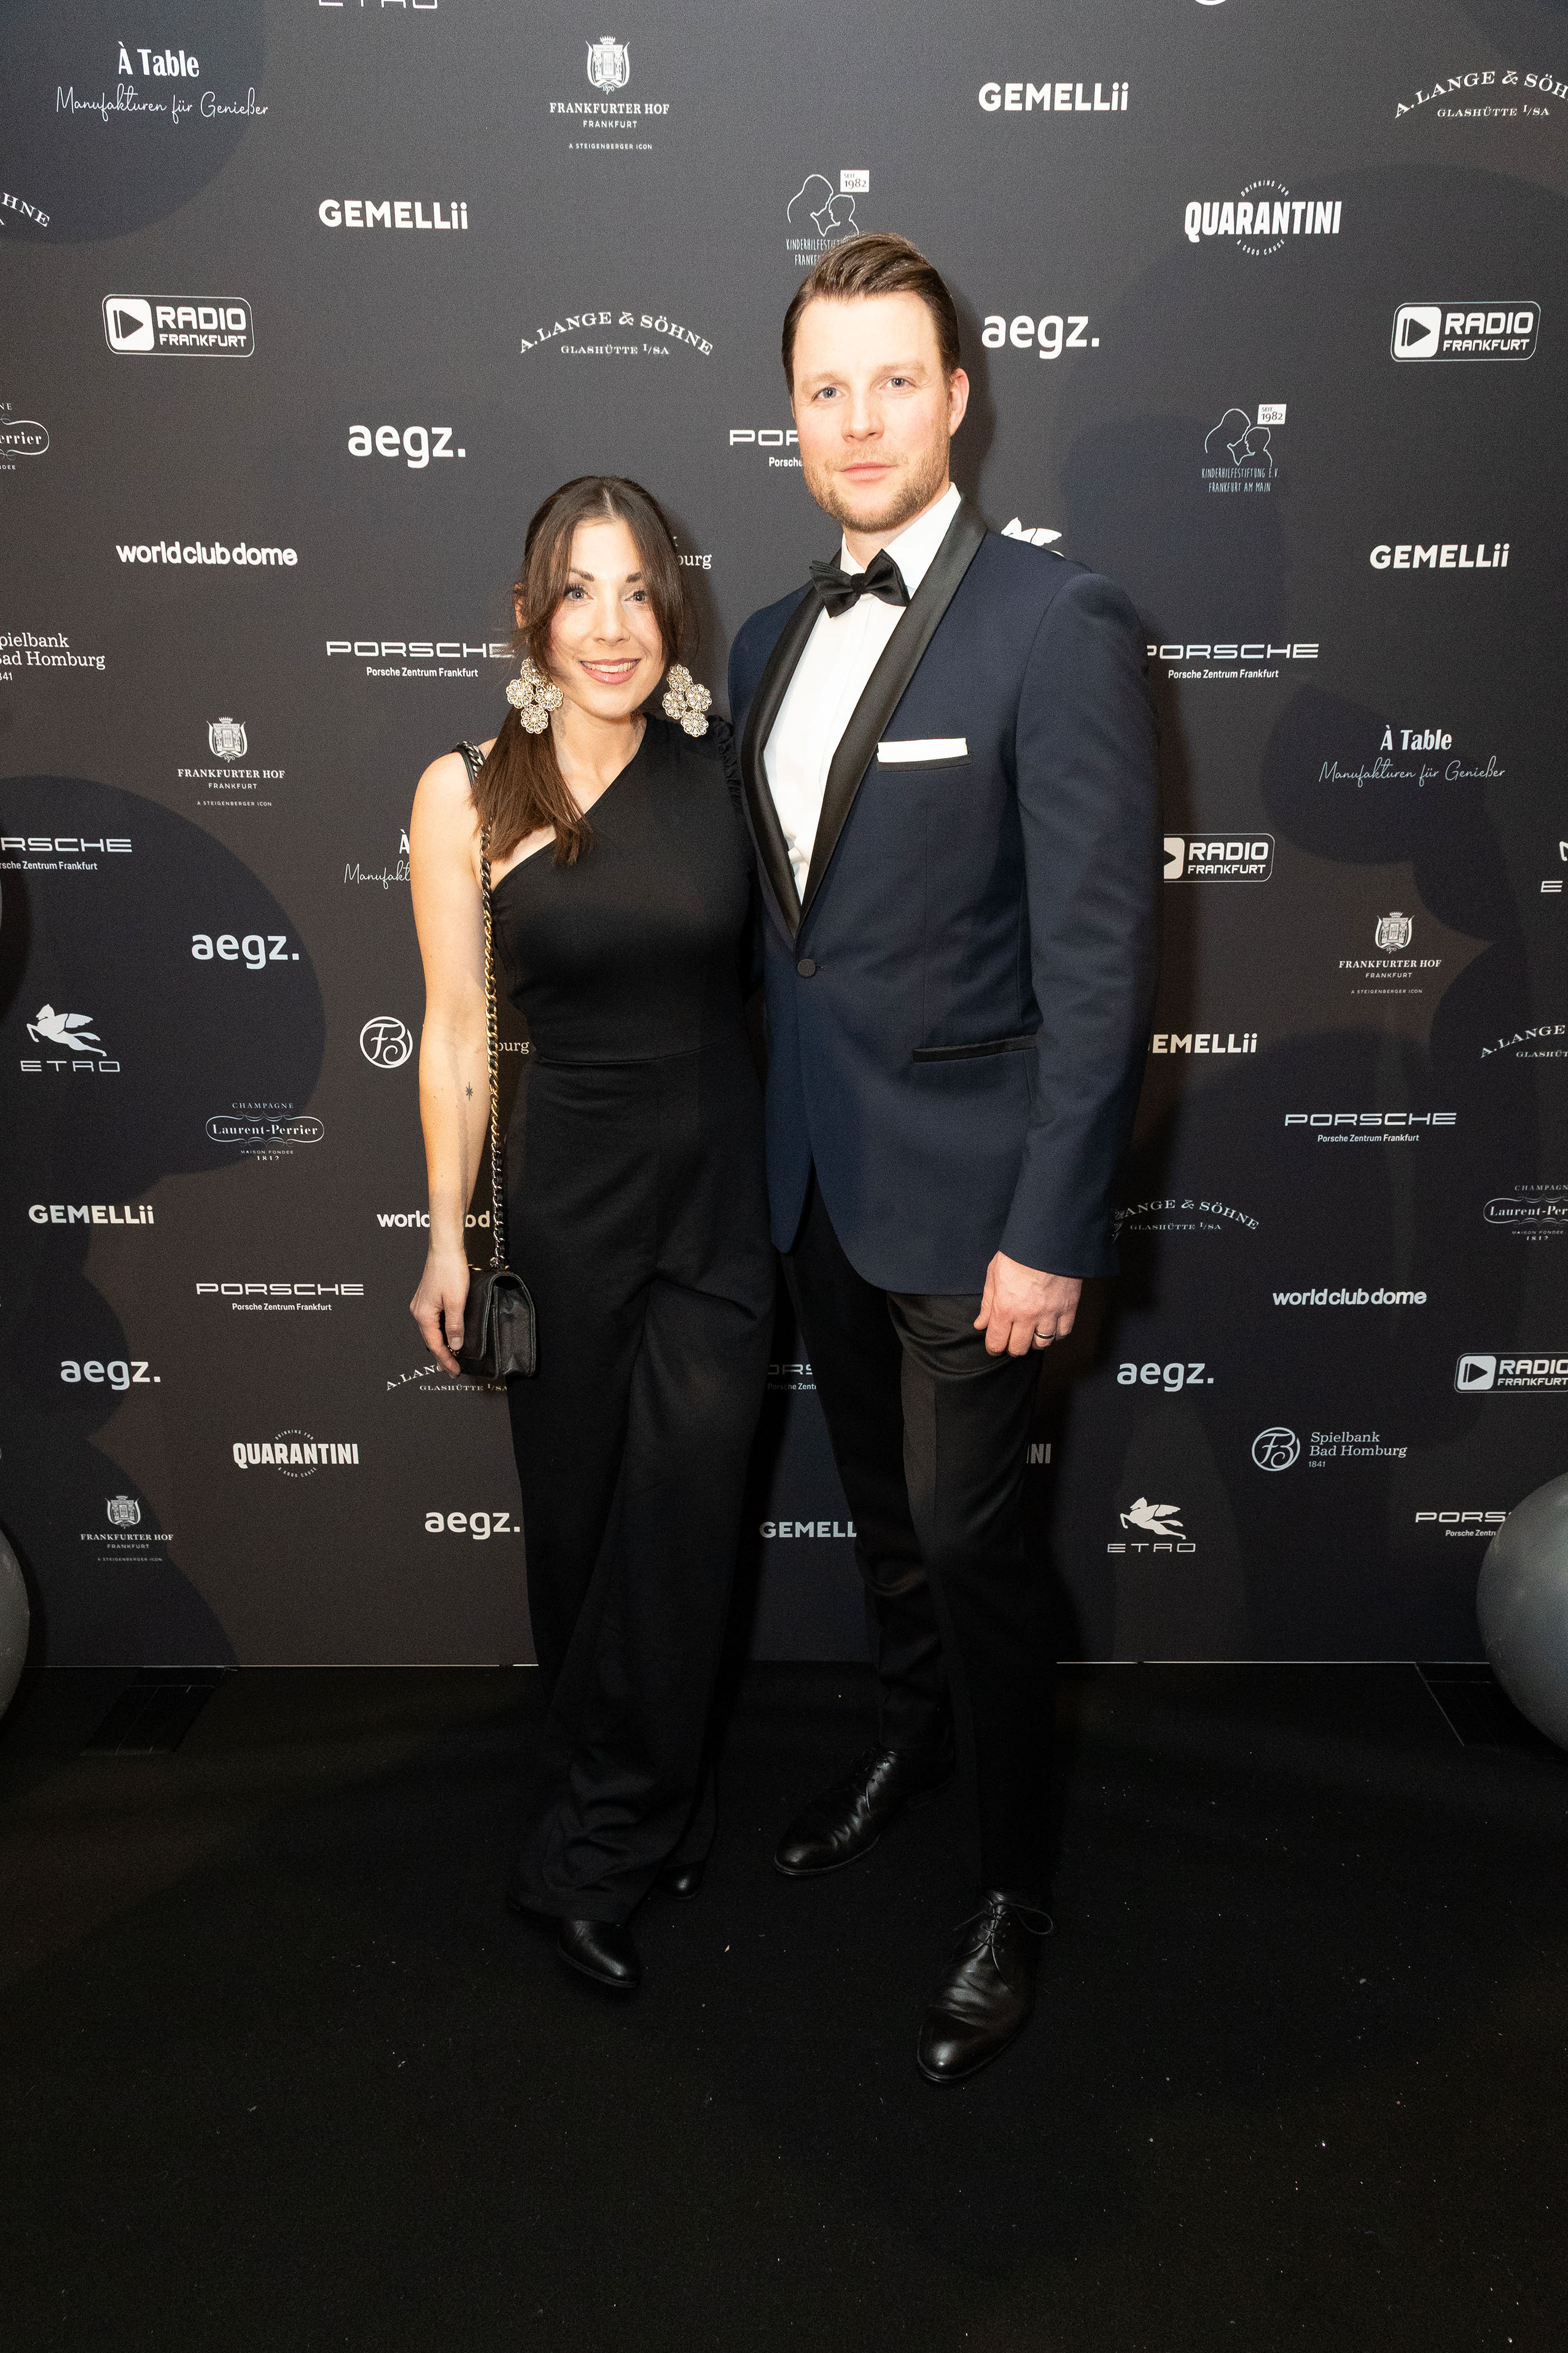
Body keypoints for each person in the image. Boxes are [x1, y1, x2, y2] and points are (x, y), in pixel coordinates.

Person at [729, 235, 1161, 2083]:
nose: (859, 420)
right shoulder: (762, 640)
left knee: (976, 1544)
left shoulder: (1055, 622)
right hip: (816, 1186)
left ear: (958, 398)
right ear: (790, 416)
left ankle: (1011, 1884)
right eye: (825, 389)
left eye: (892, 381)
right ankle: (910, 1739)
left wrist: (1050, 1228)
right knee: (890, 1527)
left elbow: (1099, 963)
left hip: (981, 1209)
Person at [408, 476, 773, 1995]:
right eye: (578, 591)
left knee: (686, 1522)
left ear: (668, 609)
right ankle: (619, 1798)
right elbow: (452, 1034)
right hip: (565, 1212)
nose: (610, 626)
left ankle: (601, 1843)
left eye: (635, 591)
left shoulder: (725, 771)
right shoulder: (467, 791)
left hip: (719, 1211)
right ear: (528, 615)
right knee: (577, 1531)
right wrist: (446, 1238)